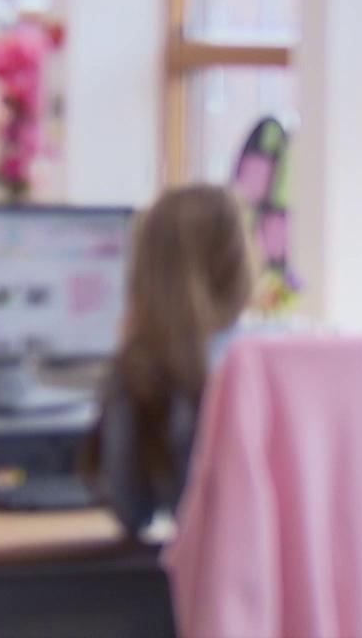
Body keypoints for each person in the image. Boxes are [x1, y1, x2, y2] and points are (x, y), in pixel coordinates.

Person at [82, 183, 256, 540]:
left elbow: (132, 510)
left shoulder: (142, 370)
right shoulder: (285, 354)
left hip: (211, 571)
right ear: (242, 264)